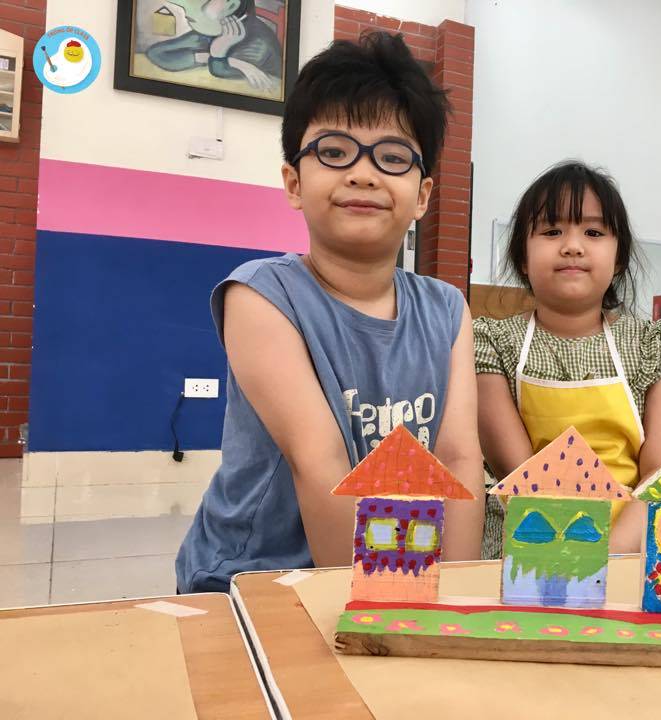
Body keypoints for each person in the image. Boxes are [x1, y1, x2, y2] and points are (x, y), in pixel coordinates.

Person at [176, 32, 484, 593]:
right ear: (294, 182)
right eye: (335, 152)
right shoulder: (260, 296)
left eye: (393, 157)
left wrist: (452, 596)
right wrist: (376, 611)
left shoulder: (447, 309)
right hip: (254, 578)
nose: (363, 173)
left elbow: (459, 459)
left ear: (422, 196)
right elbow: (320, 465)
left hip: (405, 573)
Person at [474, 161, 661, 557]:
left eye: (593, 232)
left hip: (629, 547)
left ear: (619, 257)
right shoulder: (492, 344)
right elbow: (518, 471)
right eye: (551, 231)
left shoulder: (653, 346)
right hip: (526, 544)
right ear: (522, 257)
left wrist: (610, 556)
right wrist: (571, 561)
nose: (572, 245)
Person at [147, 0, 282, 93]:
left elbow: (219, 70)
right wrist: (212, 57)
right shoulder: (208, 33)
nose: (182, 5)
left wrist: (218, 54)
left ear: (231, 5)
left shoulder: (260, 43)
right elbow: (155, 53)